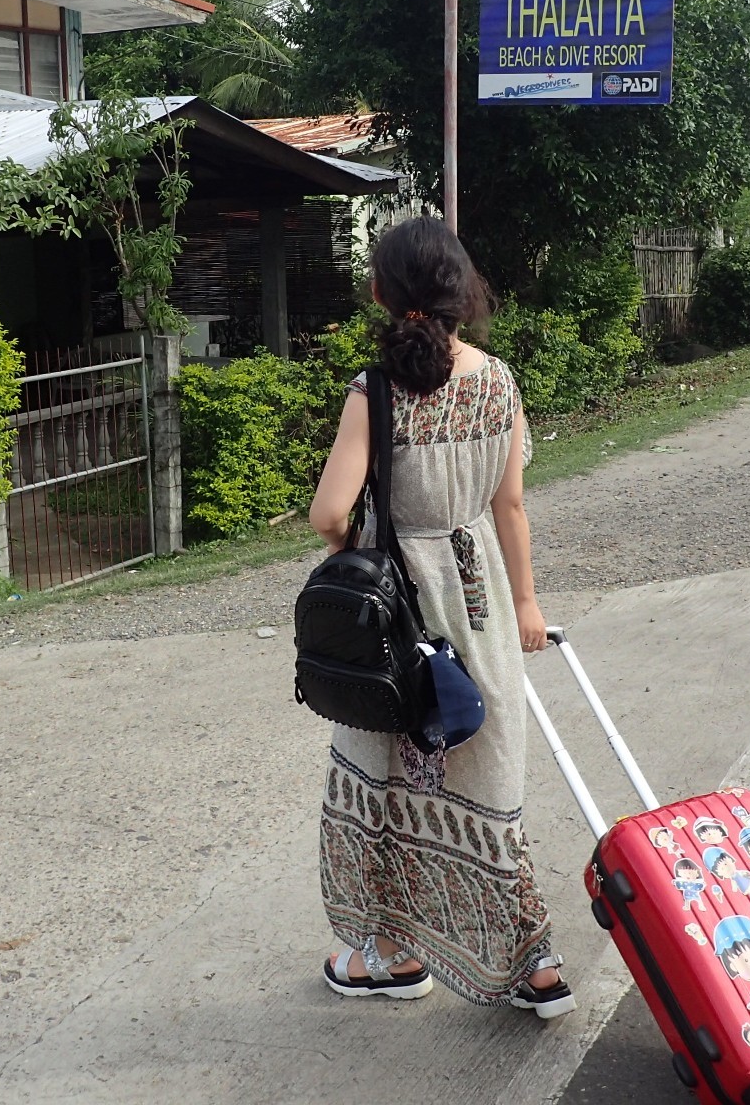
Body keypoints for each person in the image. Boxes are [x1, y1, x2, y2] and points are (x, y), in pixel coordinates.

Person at [309, 217, 572, 1018]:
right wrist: (526, 603)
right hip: (482, 601)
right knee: (485, 773)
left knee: (389, 779)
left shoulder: (372, 391)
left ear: (383, 294)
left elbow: (328, 513)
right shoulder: (500, 381)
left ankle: (389, 955)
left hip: (399, 616)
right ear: (461, 291)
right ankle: (534, 967)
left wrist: (366, 544)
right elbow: (512, 506)